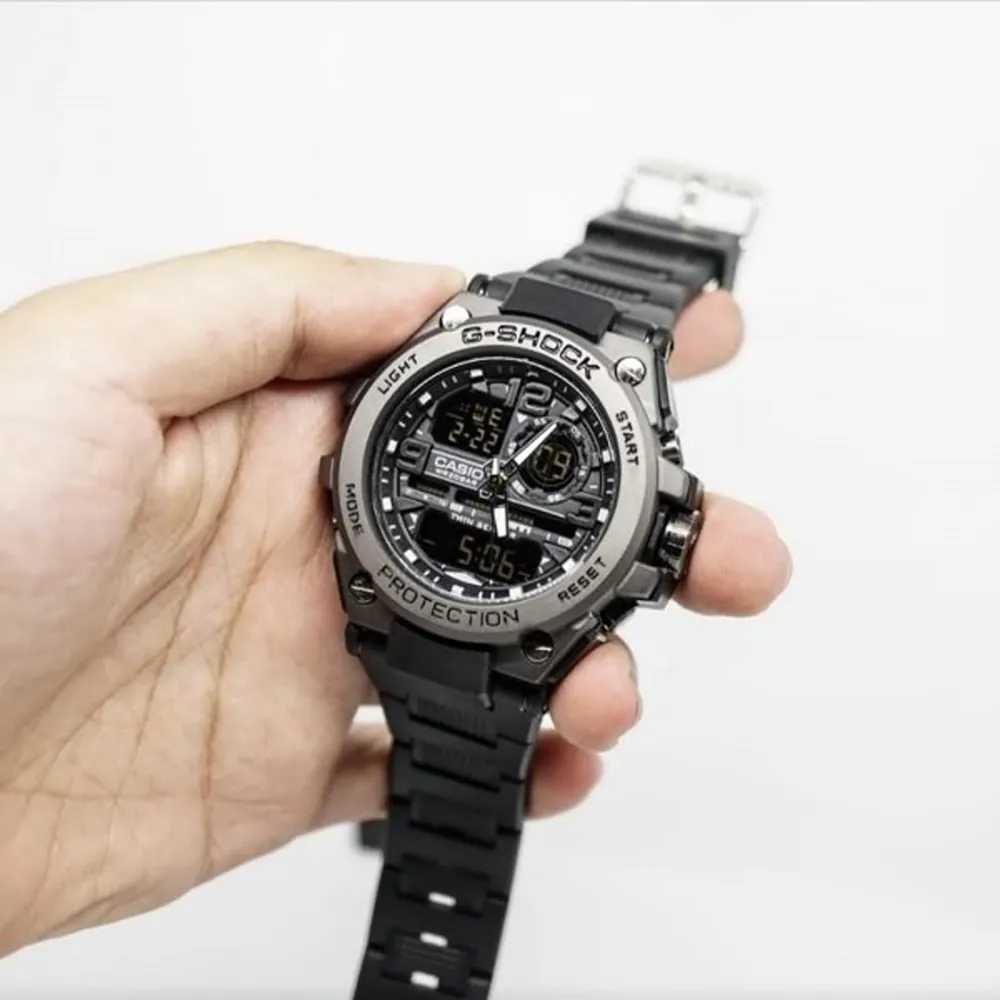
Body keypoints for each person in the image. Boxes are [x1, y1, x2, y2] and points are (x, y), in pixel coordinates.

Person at [0, 242, 791, 955]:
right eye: (492, 473)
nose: (495, 484)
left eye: (528, 474)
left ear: (659, 537)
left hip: (472, 631)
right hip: (405, 612)